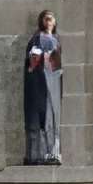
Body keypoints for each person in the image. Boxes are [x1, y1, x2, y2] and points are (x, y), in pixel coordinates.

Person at [22, 11, 62, 165]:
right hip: (38, 85)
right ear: (41, 22)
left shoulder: (56, 40)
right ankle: (35, 155)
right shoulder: (36, 40)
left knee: (51, 121)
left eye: (51, 19)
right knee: (36, 121)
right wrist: (41, 58)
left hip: (52, 85)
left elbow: (56, 65)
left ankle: (52, 155)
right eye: (46, 19)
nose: (49, 22)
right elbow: (33, 62)